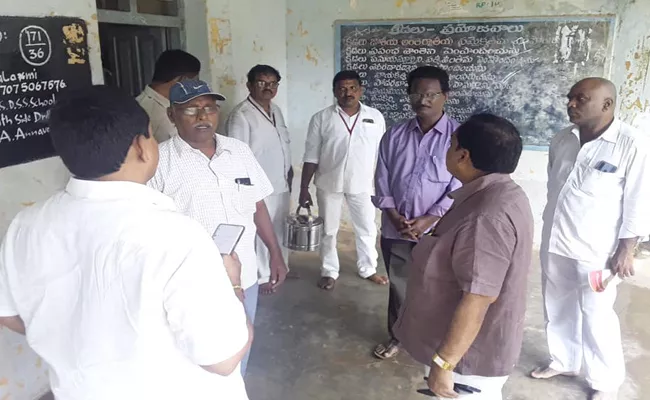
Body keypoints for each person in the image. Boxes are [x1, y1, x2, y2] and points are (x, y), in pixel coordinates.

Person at [0, 86, 252, 400]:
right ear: (142, 147)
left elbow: (8, 313)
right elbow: (224, 358)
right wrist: (233, 284)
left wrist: (68, 333)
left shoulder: (26, 226)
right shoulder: (177, 237)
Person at [148, 79, 288, 375]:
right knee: (199, 365)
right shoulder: (160, 163)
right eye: (191, 110)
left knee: (239, 353)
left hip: (245, 276)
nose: (203, 117)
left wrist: (275, 253)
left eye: (209, 108)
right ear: (172, 116)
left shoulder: (239, 151)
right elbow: (149, 231)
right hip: (192, 285)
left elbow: (258, 206)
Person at [394, 113, 533, 400]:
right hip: (463, 352)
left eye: (451, 144)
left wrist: (444, 363)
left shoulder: (485, 217)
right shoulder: (503, 193)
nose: (448, 150)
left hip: (466, 363)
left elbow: (478, 298)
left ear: (463, 156)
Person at [531, 78, 650, 400]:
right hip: (555, 241)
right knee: (556, 306)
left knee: (597, 316)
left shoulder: (631, 144)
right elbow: (554, 186)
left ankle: (605, 382)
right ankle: (565, 360)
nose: (570, 104)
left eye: (580, 99)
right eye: (570, 98)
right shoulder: (562, 140)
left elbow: (640, 200)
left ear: (606, 105)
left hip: (598, 251)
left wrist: (627, 249)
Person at [372, 65, 461, 360]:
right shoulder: (394, 135)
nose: (423, 100)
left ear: (445, 96)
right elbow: (382, 177)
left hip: (438, 231)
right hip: (395, 228)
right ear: (409, 95)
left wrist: (429, 218)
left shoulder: (459, 138)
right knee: (399, 288)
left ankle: (434, 342)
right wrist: (395, 215)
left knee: (438, 290)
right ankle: (397, 336)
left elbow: (458, 184)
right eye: (416, 93)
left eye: (431, 94)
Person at [299, 70, 387, 291]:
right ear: (334, 91)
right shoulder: (321, 118)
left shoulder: (375, 117)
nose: (347, 92)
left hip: (364, 184)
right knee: (329, 230)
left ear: (360, 90)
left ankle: (368, 268)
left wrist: (382, 184)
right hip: (329, 183)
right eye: (342, 88)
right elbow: (311, 155)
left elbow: (382, 154)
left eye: (352, 88)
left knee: (367, 227)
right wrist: (303, 188)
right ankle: (329, 270)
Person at [226, 65, 292, 295]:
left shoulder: (277, 111)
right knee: (263, 231)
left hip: (281, 182)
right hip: (259, 187)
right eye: (262, 83)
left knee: (280, 229)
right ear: (250, 85)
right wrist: (246, 191)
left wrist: (290, 171)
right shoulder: (241, 115)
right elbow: (236, 156)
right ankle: (264, 275)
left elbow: (282, 144)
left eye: (273, 83)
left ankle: (281, 266)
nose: (268, 88)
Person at [136, 49, 201, 142]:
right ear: (182, 80)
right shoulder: (152, 113)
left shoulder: (173, 104)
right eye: (194, 82)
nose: (196, 88)